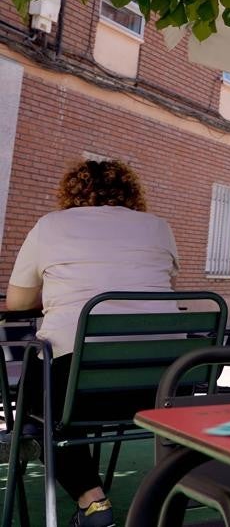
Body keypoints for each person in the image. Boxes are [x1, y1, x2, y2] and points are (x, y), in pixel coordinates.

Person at [6, 159, 180, 527]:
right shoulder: (158, 228)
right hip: (158, 384)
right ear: (131, 192)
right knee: (60, 388)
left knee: (41, 395)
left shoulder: (51, 225)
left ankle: (92, 501)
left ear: (72, 192)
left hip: (78, 385)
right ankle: (39, 435)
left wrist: (56, 294)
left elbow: (17, 305)